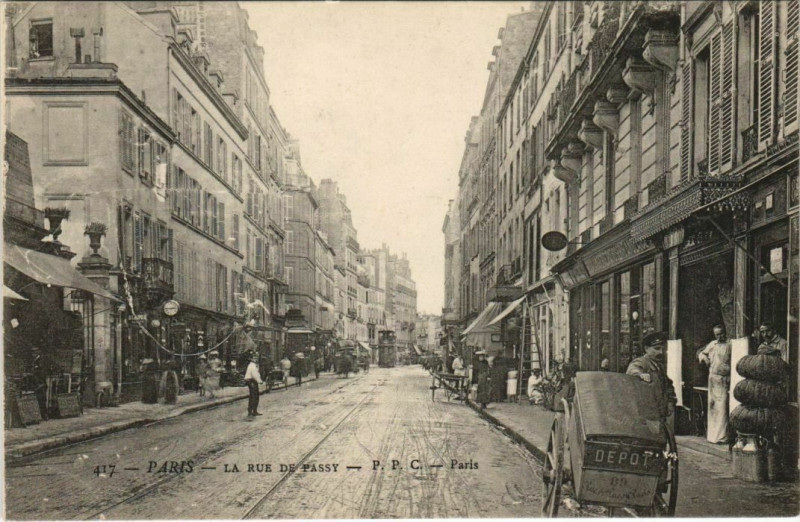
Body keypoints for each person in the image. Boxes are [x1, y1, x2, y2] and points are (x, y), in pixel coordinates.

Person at [626, 331, 677, 420]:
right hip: (645, 415)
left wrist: (670, 403)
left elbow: (668, 386)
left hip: (659, 414)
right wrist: (640, 374)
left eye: (663, 349)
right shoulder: (641, 362)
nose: (661, 352)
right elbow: (633, 370)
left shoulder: (659, 366)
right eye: (657, 348)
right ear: (646, 348)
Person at [698, 325, 732, 443]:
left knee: (722, 408)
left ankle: (722, 436)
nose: (720, 336)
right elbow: (701, 353)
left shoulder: (730, 344)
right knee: (713, 407)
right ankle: (713, 436)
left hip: (725, 379)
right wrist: (705, 358)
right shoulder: (713, 344)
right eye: (717, 334)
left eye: (721, 333)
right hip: (713, 379)